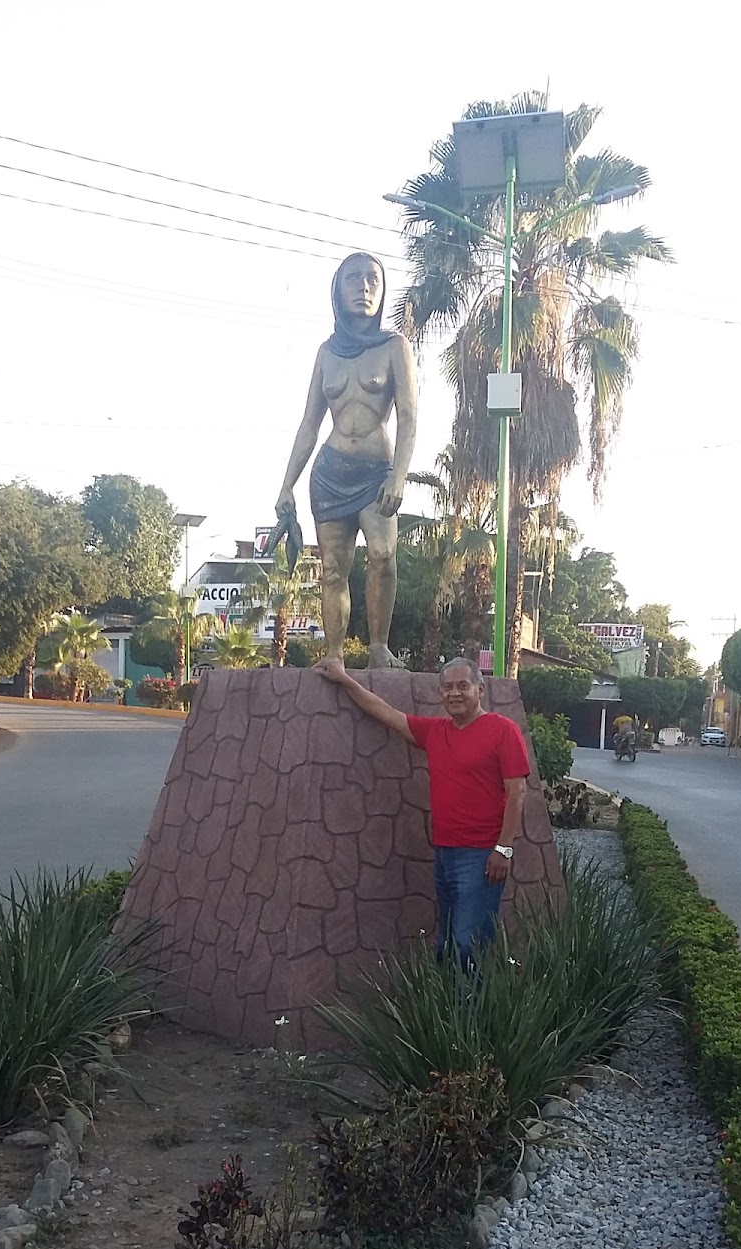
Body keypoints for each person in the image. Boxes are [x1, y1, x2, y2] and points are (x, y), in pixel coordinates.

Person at [313, 654, 528, 966]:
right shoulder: (435, 732)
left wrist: (503, 849)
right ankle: (450, 1010)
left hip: (481, 856)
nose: (454, 693)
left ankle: (475, 1011)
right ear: (440, 694)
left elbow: (517, 792)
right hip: (444, 854)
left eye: (463, 686)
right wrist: (344, 679)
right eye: (447, 688)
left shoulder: (502, 730)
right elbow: (385, 713)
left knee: (470, 944)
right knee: (447, 943)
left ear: (480, 691)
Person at [276, 251, 418, 668]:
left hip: (376, 473)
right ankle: (334, 653)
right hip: (330, 473)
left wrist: (398, 477)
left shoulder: (395, 346)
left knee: (383, 555)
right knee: (333, 570)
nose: (364, 287)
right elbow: (308, 425)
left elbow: (409, 416)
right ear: (337, 290)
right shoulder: (326, 353)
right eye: (354, 279)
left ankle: (378, 646)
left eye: (373, 279)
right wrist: (286, 484)